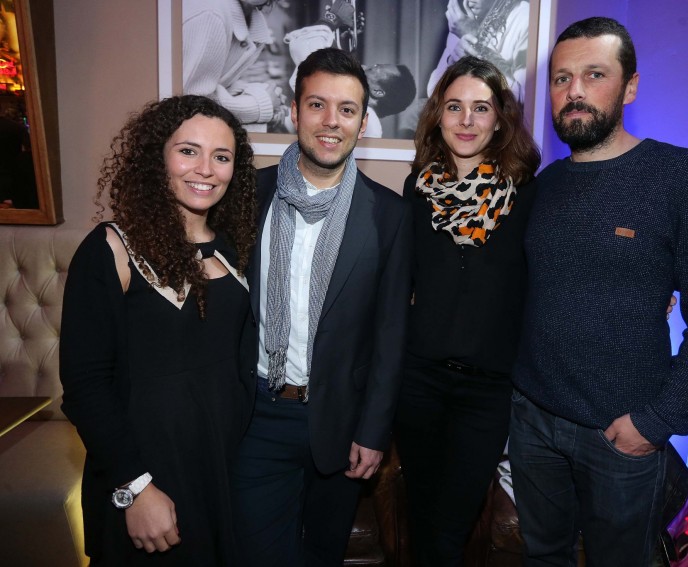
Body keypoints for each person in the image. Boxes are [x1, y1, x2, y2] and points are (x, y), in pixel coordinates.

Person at [508, 17, 688, 566]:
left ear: (630, 86)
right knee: (542, 557)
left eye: (594, 75)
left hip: (621, 437)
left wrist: (655, 423)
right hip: (533, 421)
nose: (575, 91)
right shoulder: (545, 186)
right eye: (562, 79)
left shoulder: (683, 177)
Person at [230, 47, 413, 566]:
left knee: (322, 556)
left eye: (347, 109)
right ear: (294, 111)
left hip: (340, 423)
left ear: (362, 122)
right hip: (256, 417)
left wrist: (374, 431)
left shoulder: (389, 215)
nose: (332, 121)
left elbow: (391, 334)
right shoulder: (245, 197)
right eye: (317, 105)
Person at [59, 95, 257, 565]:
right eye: (188, 151)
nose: (205, 169)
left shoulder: (233, 248)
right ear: (156, 157)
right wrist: (136, 488)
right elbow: (85, 387)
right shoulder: (111, 248)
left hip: (223, 466)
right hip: (149, 473)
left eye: (222, 157)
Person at [394, 55, 540, 566]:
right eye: (454, 106)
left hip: (487, 392)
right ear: (438, 115)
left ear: (500, 118)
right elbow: (400, 286)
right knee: (422, 516)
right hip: (418, 383)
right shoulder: (417, 190)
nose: (466, 120)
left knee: (452, 526)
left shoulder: (526, 193)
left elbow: (559, 270)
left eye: (481, 108)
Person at [279, 7, 416, 137]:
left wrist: (332, 19)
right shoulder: (359, 113)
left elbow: (308, 54)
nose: (363, 66)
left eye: (372, 69)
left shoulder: (367, 121)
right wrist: (338, 39)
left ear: (377, 91)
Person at [183, 0, 285, 130]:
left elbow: (213, 84)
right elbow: (191, 102)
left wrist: (260, 93)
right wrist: (260, 104)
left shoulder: (252, 18)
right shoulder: (211, 12)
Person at [428, 0, 529, 103]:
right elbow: (432, 90)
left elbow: (524, 100)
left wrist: (478, 42)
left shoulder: (526, 18)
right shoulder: (462, 21)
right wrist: (452, 61)